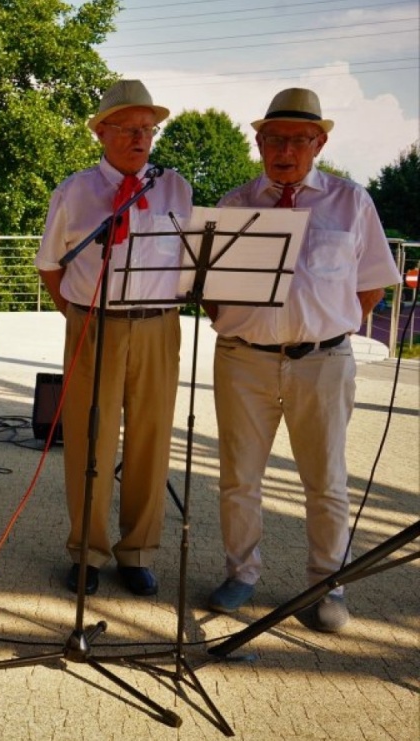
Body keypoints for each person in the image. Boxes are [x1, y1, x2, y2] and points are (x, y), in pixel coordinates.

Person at [205, 88, 401, 632]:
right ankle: (241, 572)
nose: (283, 149)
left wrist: (320, 329)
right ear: (258, 141)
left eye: (297, 138)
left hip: (323, 361)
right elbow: (209, 288)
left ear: (320, 142)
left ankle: (327, 585)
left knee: (326, 481)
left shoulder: (351, 201)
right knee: (239, 479)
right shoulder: (234, 204)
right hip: (243, 360)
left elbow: (369, 290)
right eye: (273, 138)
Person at [35, 80, 192, 597]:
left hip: (158, 326)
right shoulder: (74, 190)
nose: (140, 138)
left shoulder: (177, 189)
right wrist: (78, 315)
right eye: (128, 128)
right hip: (93, 325)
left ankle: (139, 551)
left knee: (150, 439)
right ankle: (87, 551)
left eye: (148, 128)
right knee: (88, 438)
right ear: (101, 132)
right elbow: (49, 264)